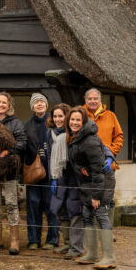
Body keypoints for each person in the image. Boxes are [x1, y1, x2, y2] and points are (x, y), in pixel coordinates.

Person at [66, 107, 116, 270]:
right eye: (72, 120)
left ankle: (109, 257)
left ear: (84, 122)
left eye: (78, 120)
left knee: (101, 215)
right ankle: (92, 254)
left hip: (100, 183)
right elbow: (79, 163)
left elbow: (98, 170)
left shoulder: (90, 140)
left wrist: (96, 196)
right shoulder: (76, 138)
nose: (74, 122)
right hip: (87, 182)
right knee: (87, 215)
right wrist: (80, 169)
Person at [0, 91, 26, 255]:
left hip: (9, 170)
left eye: (4, 102)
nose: (1, 105)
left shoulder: (16, 123)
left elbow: (23, 142)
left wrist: (7, 152)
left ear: (9, 105)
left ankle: (14, 241)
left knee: (11, 204)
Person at [46, 103, 84, 259]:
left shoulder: (73, 133)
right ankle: (67, 244)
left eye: (61, 116)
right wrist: (53, 178)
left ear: (67, 117)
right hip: (59, 175)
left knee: (74, 209)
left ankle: (77, 248)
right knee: (61, 211)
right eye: (55, 116)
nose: (57, 119)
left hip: (73, 177)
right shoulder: (50, 134)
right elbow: (49, 156)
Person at [24, 93, 59, 250]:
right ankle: (33, 240)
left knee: (51, 206)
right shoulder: (27, 125)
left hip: (51, 171)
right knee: (33, 205)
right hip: (34, 171)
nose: (39, 104)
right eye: (36, 103)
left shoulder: (53, 122)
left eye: (42, 102)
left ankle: (52, 240)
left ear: (46, 105)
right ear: (32, 107)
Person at [84, 88, 124, 158]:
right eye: (89, 99)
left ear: (100, 100)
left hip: (106, 157)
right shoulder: (80, 115)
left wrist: (111, 152)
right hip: (85, 158)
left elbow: (119, 136)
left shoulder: (110, 115)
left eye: (95, 99)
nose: (92, 101)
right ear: (85, 101)